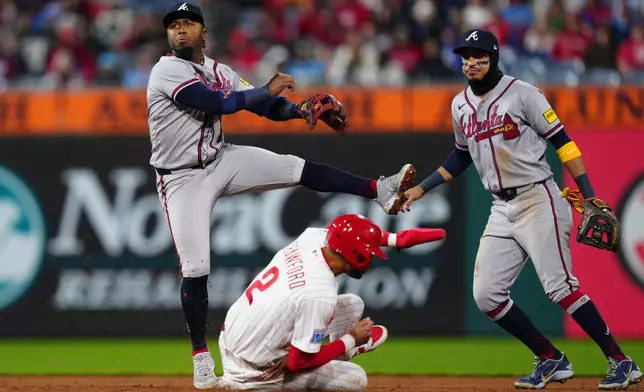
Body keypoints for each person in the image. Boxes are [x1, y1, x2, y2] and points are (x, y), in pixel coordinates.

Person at [146, 3, 417, 388]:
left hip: (220, 158)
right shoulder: (166, 69)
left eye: (188, 23)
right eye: (174, 26)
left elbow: (267, 106)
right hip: (180, 179)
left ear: (203, 33)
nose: (180, 31)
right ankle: (199, 352)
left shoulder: (219, 71)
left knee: (298, 168)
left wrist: (300, 109)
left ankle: (380, 190)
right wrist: (262, 90)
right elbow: (217, 104)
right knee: (195, 268)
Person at [401, 29, 642, 390]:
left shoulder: (524, 94)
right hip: (501, 207)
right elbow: (461, 155)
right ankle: (551, 359)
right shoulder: (459, 105)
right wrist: (423, 187)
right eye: (466, 56)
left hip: (537, 197)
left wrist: (588, 194)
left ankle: (621, 362)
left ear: (494, 58)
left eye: (479, 55)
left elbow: (563, 142)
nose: (471, 62)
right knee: (486, 296)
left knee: (560, 287)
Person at [213, 214, 446, 391]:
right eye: (370, 252)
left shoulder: (311, 239)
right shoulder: (319, 293)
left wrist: (396, 240)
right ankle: (344, 351)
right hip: (255, 374)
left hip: (231, 342)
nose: (372, 256)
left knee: (352, 304)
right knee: (357, 379)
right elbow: (297, 363)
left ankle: (337, 352)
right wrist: (350, 339)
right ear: (357, 255)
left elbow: (345, 232)